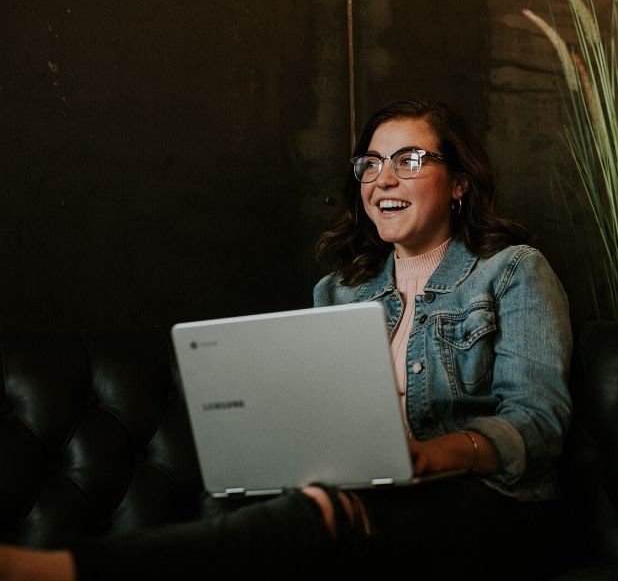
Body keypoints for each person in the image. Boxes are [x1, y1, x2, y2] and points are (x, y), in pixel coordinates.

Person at [0, 99, 572, 580]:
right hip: (377, 498)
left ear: (460, 185)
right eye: (370, 164)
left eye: (409, 160)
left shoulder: (514, 270)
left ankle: (60, 572)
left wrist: (427, 457)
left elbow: (536, 423)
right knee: (280, 511)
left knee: (317, 522)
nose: (383, 180)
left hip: (496, 506)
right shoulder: (339, 292)